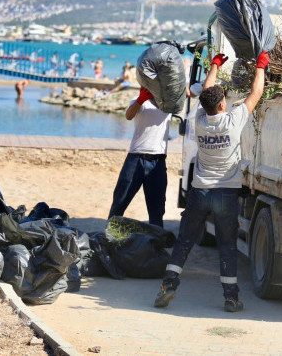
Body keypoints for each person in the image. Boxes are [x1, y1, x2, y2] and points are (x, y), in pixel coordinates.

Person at [154, 50, 269, 313]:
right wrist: (261, 67)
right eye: (225, 101)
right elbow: (256, 95)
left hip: (200, 191)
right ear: (221, 106)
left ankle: (168, 287)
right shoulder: (232, 121)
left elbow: (207, 90)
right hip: (226, 194)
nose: (226, 104)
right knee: (227, 245)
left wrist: (215, 66)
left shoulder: (201, 119)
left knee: (184, 240)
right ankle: (231, 298)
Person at [108, 87, 171, 228]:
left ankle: (157, 244)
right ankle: (107, 239)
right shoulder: (139, 101)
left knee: (157, 209)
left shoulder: (169, 103)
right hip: (135, 159)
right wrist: (140, 99)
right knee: (120, 201)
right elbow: (128, 115)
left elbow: (188, 91)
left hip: (158, 161)